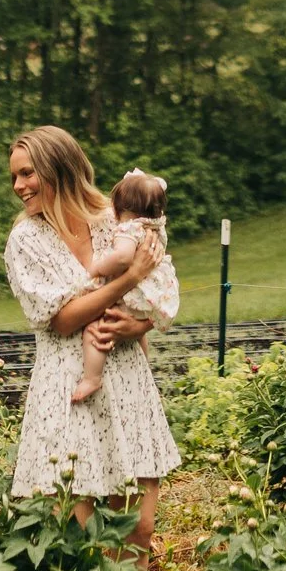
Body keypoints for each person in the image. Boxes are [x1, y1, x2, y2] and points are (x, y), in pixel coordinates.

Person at [4, 126, 182, 554]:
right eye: (14, 177)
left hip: (128, 382)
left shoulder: (115, 220)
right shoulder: (26, 241)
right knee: (80, 534)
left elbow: (156, 286)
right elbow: (63, 321)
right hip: (68, 390)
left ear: (59, 168)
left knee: (139, 529)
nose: (18, 186)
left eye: (27, 173)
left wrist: (139, 327)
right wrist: (129, 277)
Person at [71, 169, 177, 405]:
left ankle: (92, 378)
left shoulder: (129, 229)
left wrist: (97, 268)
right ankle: (144, 373)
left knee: (95, 330)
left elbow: (122, 258)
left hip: (133, 294)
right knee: (138, 337)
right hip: (153, 295)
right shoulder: (156, 228)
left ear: (120, 209)